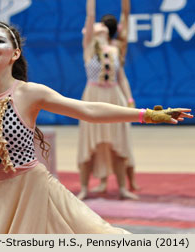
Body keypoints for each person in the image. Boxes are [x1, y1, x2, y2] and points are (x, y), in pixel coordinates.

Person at [0, 21, 192, 234]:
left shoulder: (30, 93)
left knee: (104, 238)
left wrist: (146, 114)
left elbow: (88, 110)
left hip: (33, 191)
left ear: (16, 53)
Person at [77, 0, 138, 200]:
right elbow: (90, 16)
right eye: (97, 24)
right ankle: (84, 187)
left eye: (103, 25)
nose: (100, 25)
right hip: (93, 97)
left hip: (114, 97)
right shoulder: (88, 46)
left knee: (118, 144)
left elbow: (121, 78)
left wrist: (128, 99)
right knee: (89, 144)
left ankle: (122, 187)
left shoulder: (115, 49)